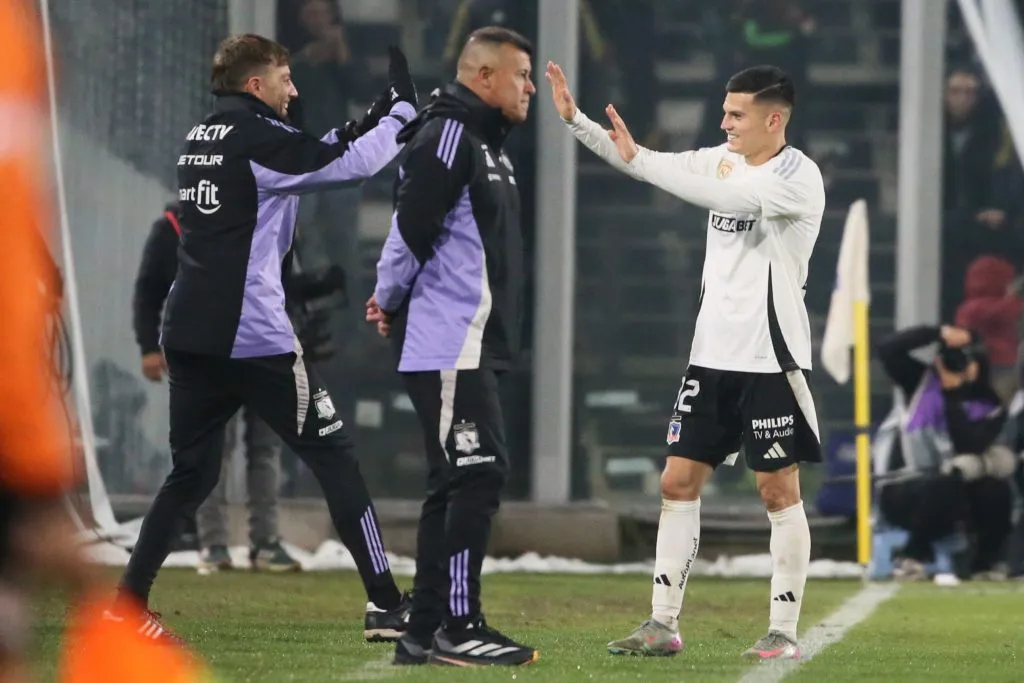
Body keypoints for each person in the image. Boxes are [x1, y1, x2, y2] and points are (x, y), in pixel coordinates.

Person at [109, 33, 419, 645]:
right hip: (251, 335)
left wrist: (370, 118)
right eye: (284, 79)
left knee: (191, 474)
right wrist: (404, 118)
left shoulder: (208, 133)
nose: (293, 89)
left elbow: (306, 153)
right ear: (256, 85)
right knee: (335, 456)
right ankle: (386, 605)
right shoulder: (254, 137)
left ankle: (126, 604)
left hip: (191, 331)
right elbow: (342, 168)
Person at [546, 62, 825, 659]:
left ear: (774, 119)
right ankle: (662, 624)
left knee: (777, 491)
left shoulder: (798, 178)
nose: (723, 122)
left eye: (736, 114)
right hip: (711, 358)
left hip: (769, 360)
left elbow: (708, 189)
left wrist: (645, 162)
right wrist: (578, 123)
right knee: (677, 480)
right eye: (724, 111)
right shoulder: (722, 159)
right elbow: (645, 160)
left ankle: (782, 631)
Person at [366, 26, 539, 667]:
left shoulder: (489, 145)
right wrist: (387, 297)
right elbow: (410, 227)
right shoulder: (447, 134)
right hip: (447, 342)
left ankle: (423, 631)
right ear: (484, 76)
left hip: (470, 343)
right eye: (520, 75)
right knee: (477, 473)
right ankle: (459, 624)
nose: (528, 88)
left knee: (454, 481)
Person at [131, 202, 300, 574]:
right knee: (212, 453)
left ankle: (265, 542)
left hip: (262, 349)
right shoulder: (174, 227)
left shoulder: (259, 218)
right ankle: (215, 543)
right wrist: (147, 345)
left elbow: (286, 283)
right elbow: (148, 289)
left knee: (265, 449)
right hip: (211, 354)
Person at [875, 324, 1016, 580]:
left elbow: (969, 445)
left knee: (995, 489)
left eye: (964, 357)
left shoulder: (988, 404)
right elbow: (887, 349)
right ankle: (912, 557)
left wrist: (953, 393)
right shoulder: (919, 382)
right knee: (944, 484)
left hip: (957, 495)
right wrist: (938, 333)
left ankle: (986, 563)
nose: (956, 363)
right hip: (907, 489)